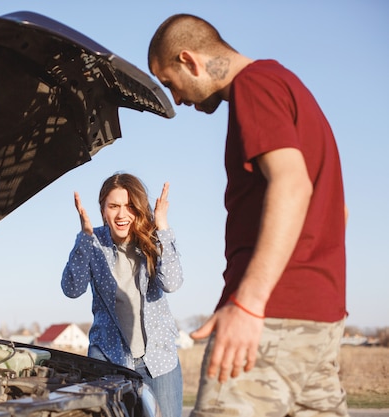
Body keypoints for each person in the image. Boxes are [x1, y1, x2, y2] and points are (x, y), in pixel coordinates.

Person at [148, 14, 349, 417]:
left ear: (190, 60)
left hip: (270, 317)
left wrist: (249, 303)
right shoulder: (286, 86)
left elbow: (292, 186)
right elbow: (338, 212)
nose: (177, 100)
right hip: (319, 320)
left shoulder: (254, 86)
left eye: (170, 83)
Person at [61, 172, 184, 417]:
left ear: (138, 209)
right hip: (109, 361)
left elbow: (171, 283)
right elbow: (72, 289)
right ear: (103, 209)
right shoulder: (93, 242)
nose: (121, 214)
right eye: (114, 206)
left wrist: (162, 226)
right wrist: (84, 238)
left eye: (129, 206)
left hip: (159, 361)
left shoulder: (151, 239)